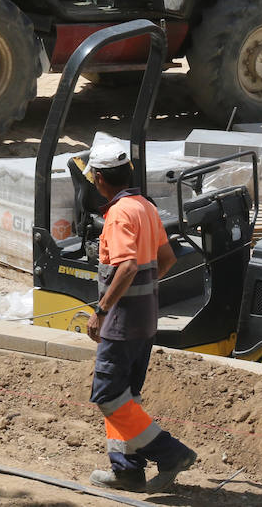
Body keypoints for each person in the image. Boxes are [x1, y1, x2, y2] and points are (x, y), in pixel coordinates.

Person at [84, 139, 198, 493]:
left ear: (100, 178)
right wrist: (143, 291)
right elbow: (167, 259)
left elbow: (128, 264)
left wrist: (102, 310)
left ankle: (170, 453)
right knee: (125, 398)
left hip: (120, 324)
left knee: (107, 397)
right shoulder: (145, 207)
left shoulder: (118, 214)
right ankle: (127, 470)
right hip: (146, 319)